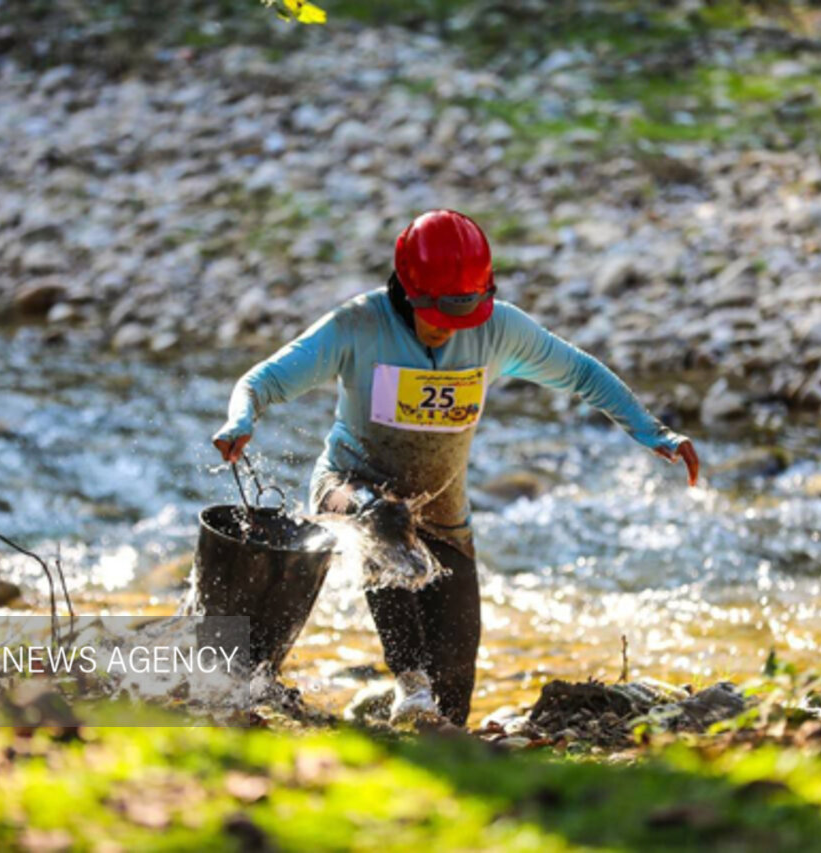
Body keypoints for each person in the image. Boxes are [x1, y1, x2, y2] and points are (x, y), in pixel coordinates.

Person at [213, 210, 699, 727]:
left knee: (456, 681)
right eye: (439, 315)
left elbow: (579, 372)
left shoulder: (498, 329)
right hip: (347, 490)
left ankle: (432, 737)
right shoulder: (357, 325)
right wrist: (240, 418)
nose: (449, 328)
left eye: (463, 316)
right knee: (386, 520)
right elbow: (262, 379)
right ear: (408, 292)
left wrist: (653, 432)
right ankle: (409, 686)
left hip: (443, 511)